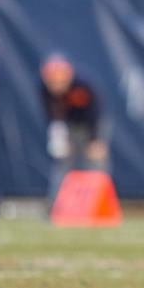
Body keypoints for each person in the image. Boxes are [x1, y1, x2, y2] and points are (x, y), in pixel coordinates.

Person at [40, 53, 109, 205]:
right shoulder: (44, 90)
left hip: (90, 123)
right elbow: (52, 116)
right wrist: (60, 140)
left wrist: (95, 140)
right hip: (67, 125)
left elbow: (96, 113)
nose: (57, 87)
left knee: (95, 163)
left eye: (60, 82)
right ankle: (57, 205)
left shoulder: (84, 84)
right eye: (53, 82)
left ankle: (95, 204)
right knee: (62, 162)